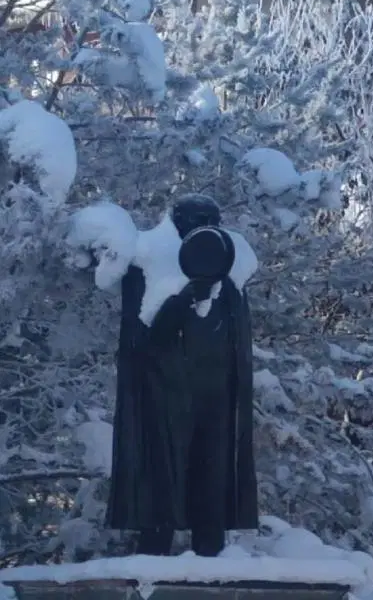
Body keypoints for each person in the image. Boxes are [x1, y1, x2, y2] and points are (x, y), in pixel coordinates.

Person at [106, 194, 258, 557]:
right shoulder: (148, 260)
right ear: (177, 223)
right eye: (195, 221)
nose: (202, 227)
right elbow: (140, 342)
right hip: (163, 398)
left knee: (212, 492)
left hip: (216, 398)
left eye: (210, 220)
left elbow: (236, 339)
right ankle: (152, 570)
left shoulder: (227, 264)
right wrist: (185, 298)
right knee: (160, 490)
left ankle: (211, 570)